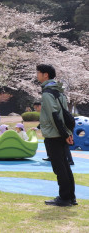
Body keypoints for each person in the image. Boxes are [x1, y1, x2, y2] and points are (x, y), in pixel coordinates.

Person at [36, 64, 76, 207]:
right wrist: (68, 133)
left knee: (59, 167)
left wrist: (64, 133)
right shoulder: (59, 91)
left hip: (54, 135)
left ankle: (64, 198)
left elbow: (54, 116)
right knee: (65, 166)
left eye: (38, 72)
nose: (37, 75)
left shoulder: (47, 93)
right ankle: (70, 197)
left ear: (45, 75)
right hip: (61, 134)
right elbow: (65, 114)